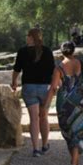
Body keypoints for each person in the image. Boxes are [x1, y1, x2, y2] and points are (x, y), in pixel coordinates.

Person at [44, 41, 83, 165]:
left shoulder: (59, 68)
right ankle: (75, 161)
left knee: (68, 131)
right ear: (74, 51)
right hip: (81, 102)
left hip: (64, 104)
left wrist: (45, 107)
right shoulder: (82, 65)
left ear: (62, 52)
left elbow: (53, 88)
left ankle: (74, 161)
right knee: (79, 130)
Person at [11, 28, 55, 157]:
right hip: (45, 88)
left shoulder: (22, 51)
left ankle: (36, 149)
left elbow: (17, 69)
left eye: (27, 36)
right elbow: (53, 70)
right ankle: (45, 144)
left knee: (33, 119)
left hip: (29, 87)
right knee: (44, 116)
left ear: (30, 37)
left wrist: (14, 82)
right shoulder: (47, 51)